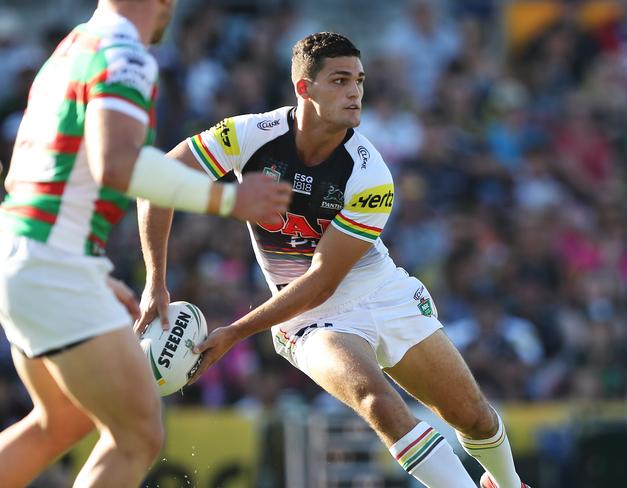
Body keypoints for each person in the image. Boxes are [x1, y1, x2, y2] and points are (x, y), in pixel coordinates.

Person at [138, 32, 529, 488]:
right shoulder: (248, 135)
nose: (355, 92)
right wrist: (155, 282)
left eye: (359, 81)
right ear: (304, 88)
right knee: (377, 402)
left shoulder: (369, 173)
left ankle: (509, 482)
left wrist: (237, 332)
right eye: (340, 80)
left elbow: (324, 278)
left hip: (379, 292)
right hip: (309, 317)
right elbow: (157, 180)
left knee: (474, 418)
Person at [0, 1, 291, 487]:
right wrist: (227, 197)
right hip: (51, 265)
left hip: (28, 255)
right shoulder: (123, 53)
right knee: (138, 436)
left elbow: (56, 175)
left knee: (62, 422)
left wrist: (89, 269)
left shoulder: (73, 46)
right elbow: (118, 162)